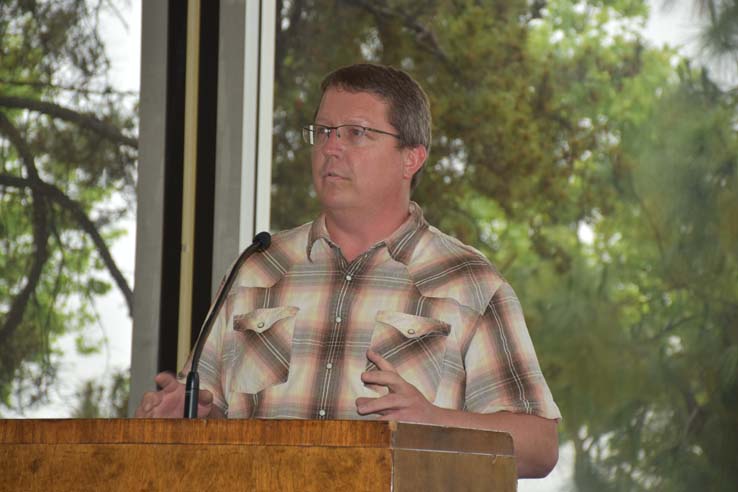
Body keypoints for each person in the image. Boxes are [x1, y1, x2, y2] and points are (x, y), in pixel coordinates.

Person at [135, 63, 561, 478]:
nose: (331, 148)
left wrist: (434, 421)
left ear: (411, 158)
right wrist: (193, 413)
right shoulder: (257, 269)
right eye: (322, 132)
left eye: (356, 133)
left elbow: (539, 446)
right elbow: (201, 413)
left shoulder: (468, 281)